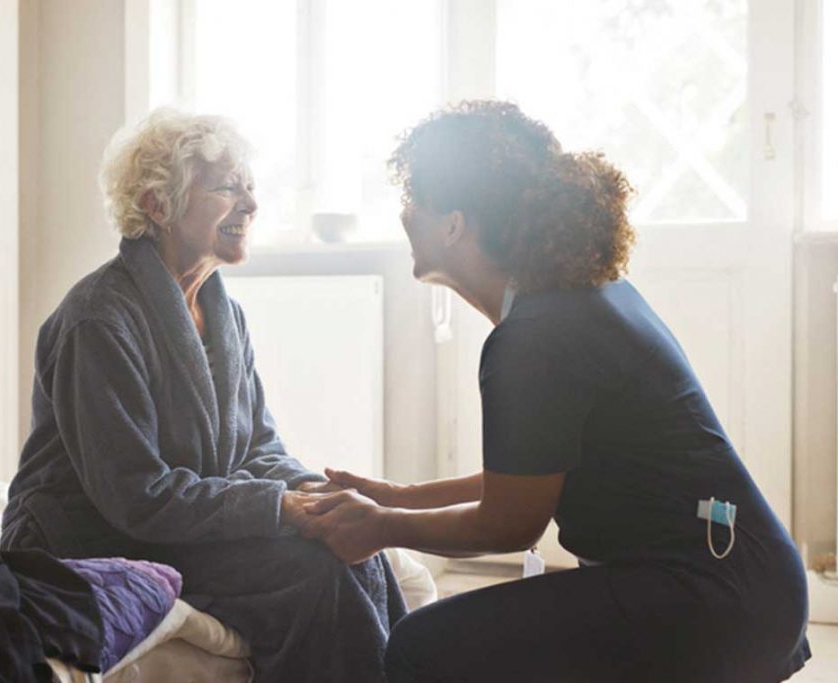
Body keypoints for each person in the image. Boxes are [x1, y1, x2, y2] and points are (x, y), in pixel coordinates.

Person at [300, 100, 810, 682]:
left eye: (414, 198)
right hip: (751, 584)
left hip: (715, 598)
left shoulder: (535, 339)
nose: (403, 216)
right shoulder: (575, 302)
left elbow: (509, 526)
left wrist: (381, 527)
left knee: (424, 645)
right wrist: (401, 496)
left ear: (454, 225)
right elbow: (533, 479)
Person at [0, 108, 405, 683]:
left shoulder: (223, 312)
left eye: (251, 187)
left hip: (177, 522)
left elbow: (257, 446)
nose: (250, 204)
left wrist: (315, 495)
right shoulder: (97, 319)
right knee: (313, 575)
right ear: (157, 205)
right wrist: (278, 509)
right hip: (86, 533)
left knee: (361, 549)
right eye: (226, 188)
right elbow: (135, 495)